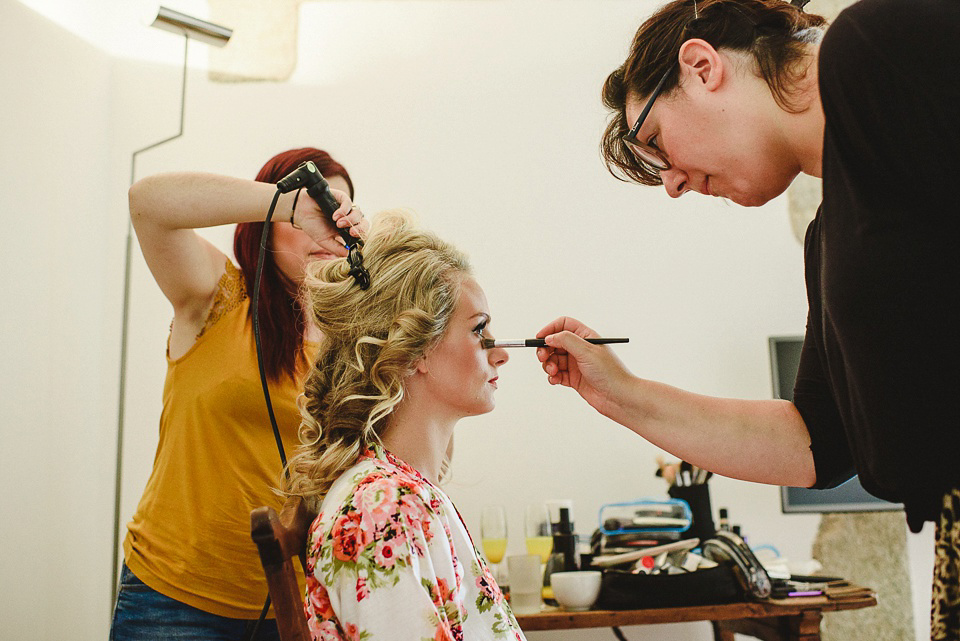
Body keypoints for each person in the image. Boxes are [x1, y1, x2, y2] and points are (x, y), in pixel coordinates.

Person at [536, 0, 960, 637]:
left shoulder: (874, 49)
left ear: (702, 66)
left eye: (655, 142)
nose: (672, 184)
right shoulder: (831, 235)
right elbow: (814, 443)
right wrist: (619, 393)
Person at [112, 148, 366, 640]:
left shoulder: (359, 341)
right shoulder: (219, 298)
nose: (324, 230)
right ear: (266, 222)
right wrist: (288, 201)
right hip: (172, 598)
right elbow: (147, 203)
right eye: (314, 212)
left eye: (337, 214)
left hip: (301, 609)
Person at [283, 209, 524, 641]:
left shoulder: (406, 494)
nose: (500, 353)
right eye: (479, 330)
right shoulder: (377, 512)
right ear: (415, 351)